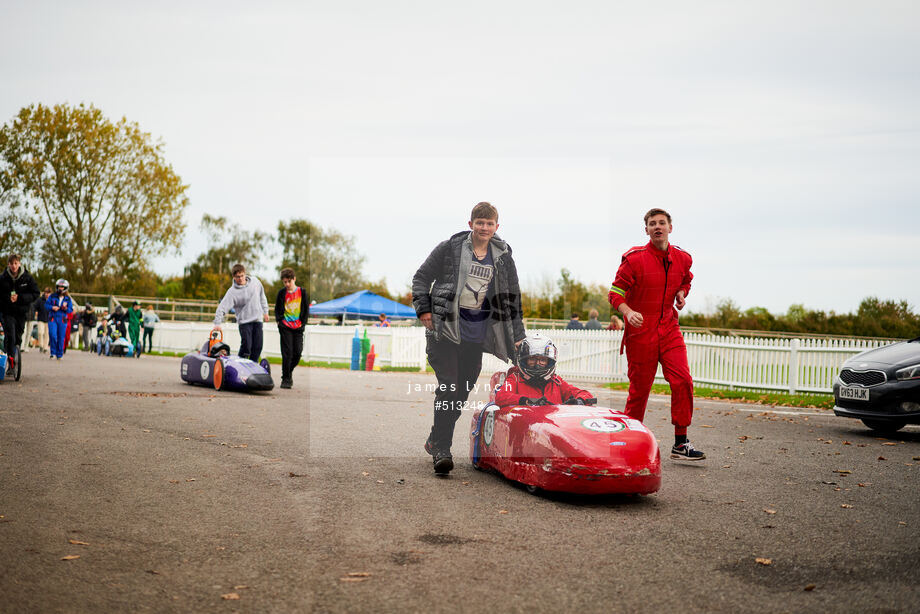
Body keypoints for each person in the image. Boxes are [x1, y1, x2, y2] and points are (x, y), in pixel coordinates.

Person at [412, 201, 526, 474]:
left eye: (489, 224)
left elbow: (512, 298)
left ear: (496, 227)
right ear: (470, 224)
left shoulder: (502, 256)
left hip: (476, 336)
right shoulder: (450, 248)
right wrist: (424, 309)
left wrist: (518, 335)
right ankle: (442, 449)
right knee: (450, 386)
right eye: (480, 222)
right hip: (445, 331)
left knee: (460, 393)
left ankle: (435, 437)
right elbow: (421, 277)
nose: (484, 227)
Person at [608, 208, 703, 460]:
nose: (657, 227)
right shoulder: (634, 259)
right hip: (641, 331)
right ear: (647, 230)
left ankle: (680, 443)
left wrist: (682, 292)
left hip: (669, 329)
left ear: (670, 228)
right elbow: (615, 293)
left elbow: (686, 279)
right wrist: (627, 312)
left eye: (662, 223)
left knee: (682, 380)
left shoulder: (683, 258)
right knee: (640, 390)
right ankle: (629, 442)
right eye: (652, 224)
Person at [495, 334, 596, 407]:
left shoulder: (556, 381)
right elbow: (501, 397)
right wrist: (524, 400)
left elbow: (585, 394)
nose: (537, 363)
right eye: (532, 359)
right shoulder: (515, 378)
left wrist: (579, 401)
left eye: (542, 360)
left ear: (549, 361)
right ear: (524, 360)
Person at [214, 263, 270, 362]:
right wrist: (217, 323)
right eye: (237, 277)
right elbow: (222, 307)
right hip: (244, 322)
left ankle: (253, 366)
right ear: (234, 277)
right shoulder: (232, 292)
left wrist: (265, 311)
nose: (240, 278)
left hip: (257, 320)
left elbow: (262, 296)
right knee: (247, 346)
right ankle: (240, 365)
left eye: (242, 276)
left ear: (245, 274)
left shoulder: (255, 282)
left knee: (258, 346)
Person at [0, 254, 40, 372]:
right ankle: (10, 361)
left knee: (18, 336)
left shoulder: (27, 278)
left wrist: (20, 298)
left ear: (19, 264)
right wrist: (8, 298)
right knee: (10, 335)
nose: (13, 266)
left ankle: (15, 355)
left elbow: (35, 293)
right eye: (11, 264)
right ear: (8, 265)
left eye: (16, 263)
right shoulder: (3, 278)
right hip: (7, 312)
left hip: (21, 312)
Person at [274, 268, 309, 389]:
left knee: (297, 353)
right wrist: (280, 322)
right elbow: (278, 309)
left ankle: (288, 373)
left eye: (289, 281)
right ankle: (286, 379)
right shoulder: (281, 293)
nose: (287, 284)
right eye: (285, 282)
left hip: (298, 327)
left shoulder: (302, 292)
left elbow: (305, 309)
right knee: (287, 353)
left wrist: (303, 323)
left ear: (294, 279)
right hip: (286, 326)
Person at [45, 279, 73, 360]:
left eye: (62, 287)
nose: (60, 288)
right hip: (53, 317)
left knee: (61, 337)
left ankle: (59, 354)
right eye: (59, 287)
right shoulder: (52, 296)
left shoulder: (68, 299)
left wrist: (65, 308)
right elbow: (46, 305)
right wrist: (52, 307)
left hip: (62, 319)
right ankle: (53, 352)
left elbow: (70, 310)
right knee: (53, 335)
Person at [33, 288, 51, 353]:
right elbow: (34, 306)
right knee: (40, 332)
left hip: (49, 319)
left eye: (48, 293)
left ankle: (45, 347)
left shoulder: (52, 300)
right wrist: (36, 311)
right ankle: (41, 345)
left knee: (47, 334)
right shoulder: (40, 300)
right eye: (46, 293)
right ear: (44, 293)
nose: (47, 294)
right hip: (41, 318)